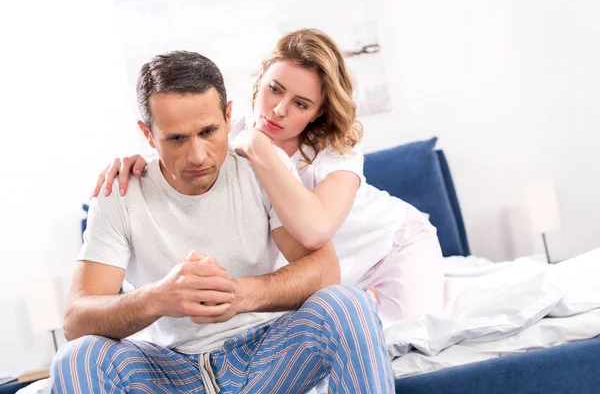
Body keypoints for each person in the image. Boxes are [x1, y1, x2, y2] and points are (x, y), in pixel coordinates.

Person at [52, 50, 394, 393]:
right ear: (148, 134)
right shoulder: (120, 193)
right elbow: (76, 319)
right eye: (176, 138)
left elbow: (323, 270)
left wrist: (241, 294)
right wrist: (158, 299)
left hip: (264, 358)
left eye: (208, 131)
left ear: (229, 117)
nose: (198, 155)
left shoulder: (261, 168)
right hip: (166, 370)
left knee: (348, 305)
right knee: (76, 357)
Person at [94, 28, 445, 329]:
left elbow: (314, 231)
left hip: (392, 248)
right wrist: (140, 161)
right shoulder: (228, 131)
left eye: (301, 104)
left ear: (319, 111)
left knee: (409, 340)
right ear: (261, 76)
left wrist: (259, 148)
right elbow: (181, 149)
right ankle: (363, 302)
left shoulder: (336, 154)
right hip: (333, 278)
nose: (278, 109)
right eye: (275, 89)